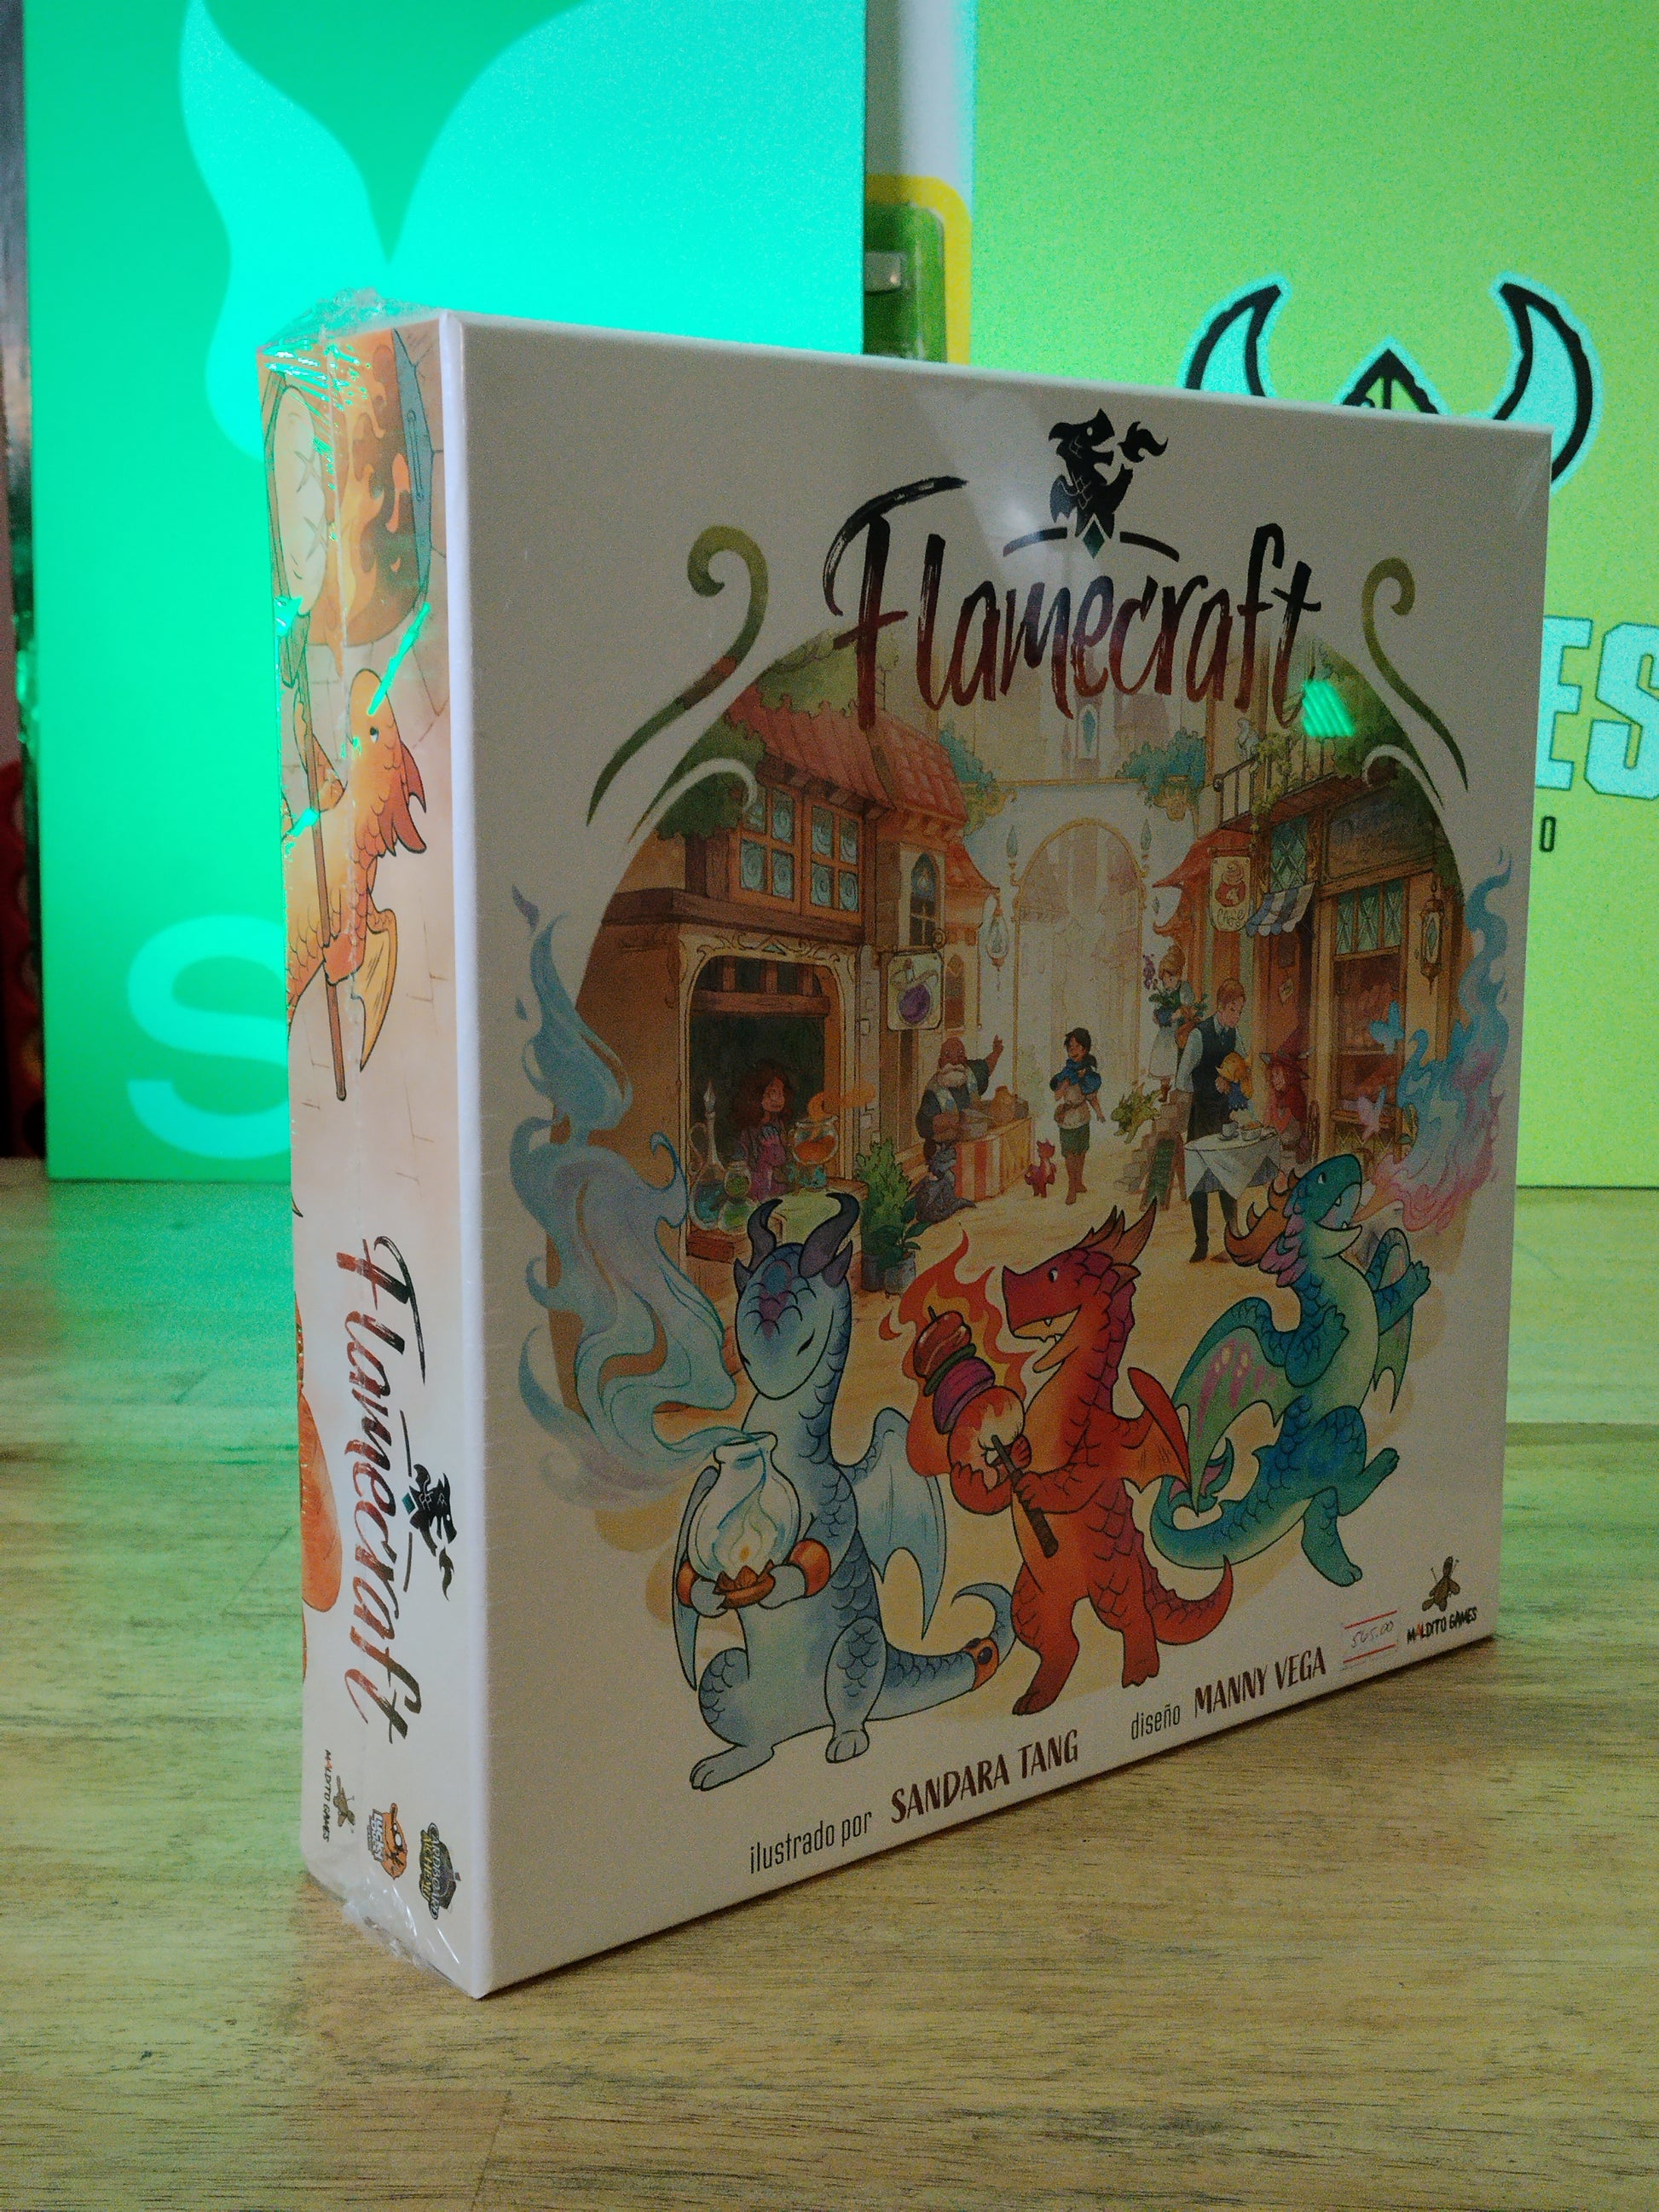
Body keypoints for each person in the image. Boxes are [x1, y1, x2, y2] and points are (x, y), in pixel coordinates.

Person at [1176, 978, 1246, 1261]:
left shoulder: (1234, 1034)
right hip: (1202, 1117)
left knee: (1227, 1175)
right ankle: (1201, 1243)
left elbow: (1244, 1067)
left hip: (1223, 1116)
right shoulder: (1199, 1035)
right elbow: (1182, 1079)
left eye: (1240, 1011)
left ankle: (1233, 1236)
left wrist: (1233, 1083)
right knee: (1199, 1180)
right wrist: (1208, 1087)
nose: (1236, 1017)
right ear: (1220, 1007)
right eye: (1232, 1010)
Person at [914, 1032, 1003, 1222]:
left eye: (960, 1054)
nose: (955, 1060)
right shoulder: (934, 1091)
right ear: (940, 1062)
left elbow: (987, 1066)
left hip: (972, 1143)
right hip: (945, 1150)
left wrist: (996, 1052)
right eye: (948, 1055)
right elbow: (923, 1124)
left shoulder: (970, 1073)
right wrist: (948, 1121)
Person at [1049, 1026, 1107, 1206]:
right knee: (1070, 1155)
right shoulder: (1066, 1073)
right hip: (1068, 1119)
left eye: (1078, 1047)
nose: (1073, 1050)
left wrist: (1099, 1113)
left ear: (1085, 1049)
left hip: (1082, 1117)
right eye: (1070, 1047)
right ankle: (1071, 1187)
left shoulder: (1089, 1074)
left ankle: (1079, 1182)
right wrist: (1065, 1084)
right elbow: (1057, 1096)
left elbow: (1092, 1097)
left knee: (1081, 1152)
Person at [730, 1062, 795, 1203]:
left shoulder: (778, 1123)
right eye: (773, 1093)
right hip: (756, 1185)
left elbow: (784, 1157)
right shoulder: (749, 1130)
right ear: (757, 1094)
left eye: (781, 1093)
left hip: (778, 1184)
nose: (778, 1099)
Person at [1147, 944, 1198, 1094]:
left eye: (1171, 978)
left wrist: (1180, 1012)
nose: (1167, 983)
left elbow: (1188, 1006)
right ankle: (1164, 1088)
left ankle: (1180, 1086)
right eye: (1165, 980)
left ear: (1179, 975)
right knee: (1163, 1056)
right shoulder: (1163, 993)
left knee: (1178, 1057)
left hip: (1179, 1030)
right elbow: (1156, 1010)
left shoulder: (1184, 989)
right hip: (1166, 1032)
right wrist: (1157, 1017)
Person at [1261, 1038, 1310, 1161]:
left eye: (1278, 1074)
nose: (1274, 1080)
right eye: (1273, 1076)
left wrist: (1272, 1104)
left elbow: (1280, 1128)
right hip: (1283, 1145)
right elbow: (1265, 1124)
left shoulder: (1293, 1094)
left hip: (1292, 1150)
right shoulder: (1281, 1094)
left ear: (1288, 1074)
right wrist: (1270, 1103)